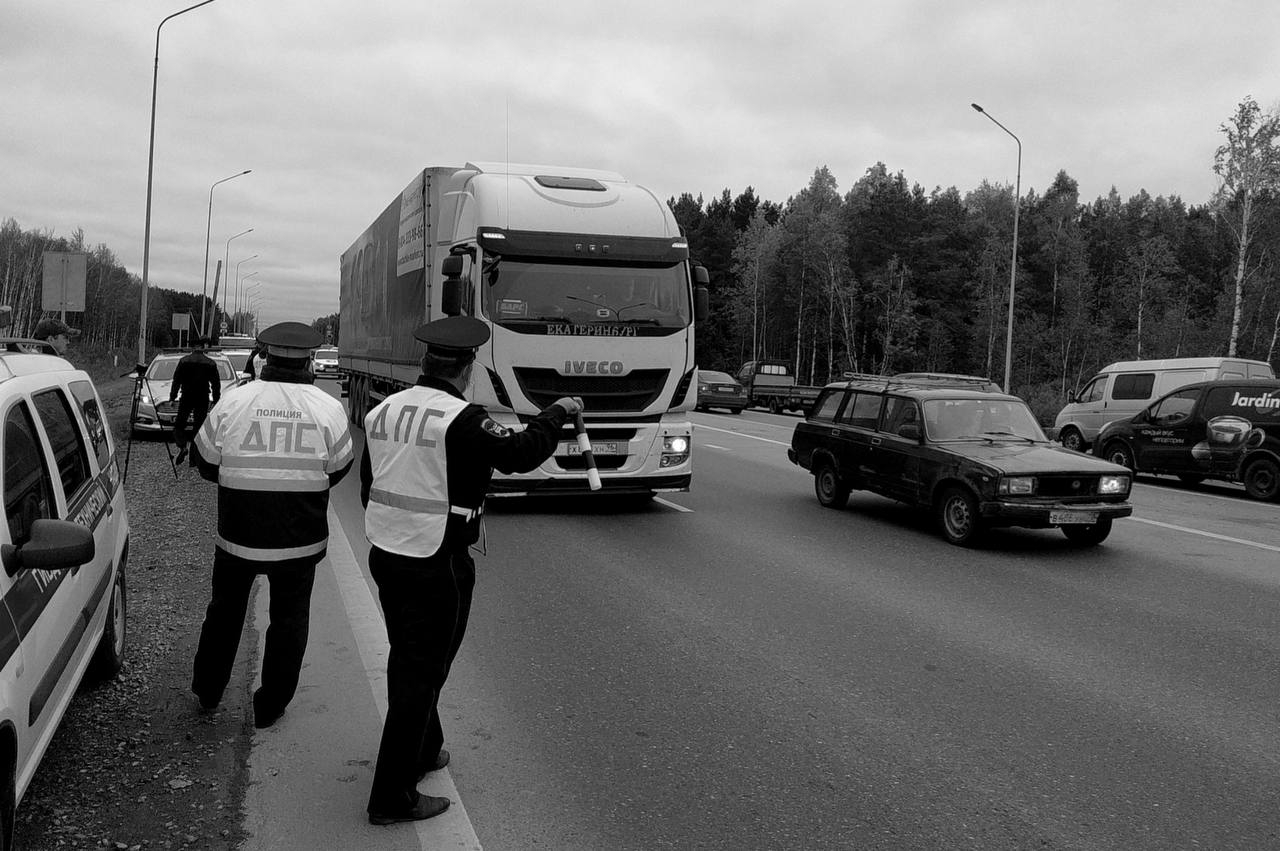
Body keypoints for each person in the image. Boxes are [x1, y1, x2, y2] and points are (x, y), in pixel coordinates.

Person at [361, 315, 582, 826]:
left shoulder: (385, 409)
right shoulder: (459, 417)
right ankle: (392, 796)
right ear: (468, 369)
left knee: (414, 658)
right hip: (435, 561)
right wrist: (556, 412)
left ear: (423, 363)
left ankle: (426, 747)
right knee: (422, 671)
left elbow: (374, 480)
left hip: (388, 551)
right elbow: (520, 454)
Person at [190, 321, 354, 730]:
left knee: (224, 613)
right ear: (310, 360)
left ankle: (208, 692)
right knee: (289, 621)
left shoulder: (235, 400)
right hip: (299, 541)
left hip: (238, 537)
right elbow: (338, 468)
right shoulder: (327, 407)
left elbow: (205, 463)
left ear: (265, 357)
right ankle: (270, 707)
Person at [170, 337, 221, 465]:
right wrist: (216, 399)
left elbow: (176, 381)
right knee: (198, 428)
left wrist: (172, 396)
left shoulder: (184, 361)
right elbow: (216, 383)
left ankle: (182, 446)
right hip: (202, 397)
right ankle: (194, 459)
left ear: (192, 348)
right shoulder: (210, 363)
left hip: (186, 396)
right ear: (203, 348)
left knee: (179, 425)